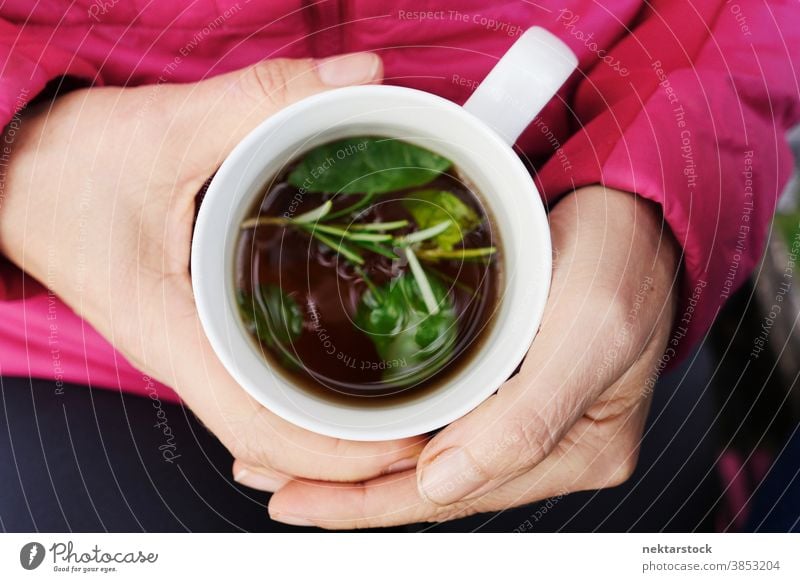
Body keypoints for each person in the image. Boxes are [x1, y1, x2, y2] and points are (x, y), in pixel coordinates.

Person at [0, 1, 797, 529]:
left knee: (657, 508)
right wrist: (22, 161)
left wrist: (660, 175)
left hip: (582, 260)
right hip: (68, 325)